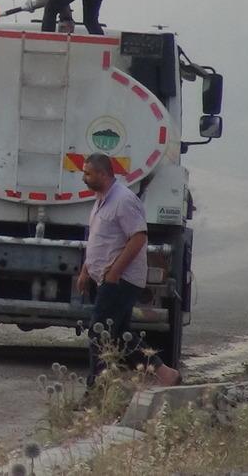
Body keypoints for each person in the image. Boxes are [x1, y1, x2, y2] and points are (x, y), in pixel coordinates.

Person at [76, 153, 180, 388]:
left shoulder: (124, 200)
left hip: (120, 280)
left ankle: (97, 389)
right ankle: (164, 372)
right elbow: (98, 240)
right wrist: (85, 271)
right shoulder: (101, 199)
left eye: (88, 173)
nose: (84, 178)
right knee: (120, 335)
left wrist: (114, 273)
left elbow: (138, 238)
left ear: (103, 174)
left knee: (99, 332)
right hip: (104, 278)